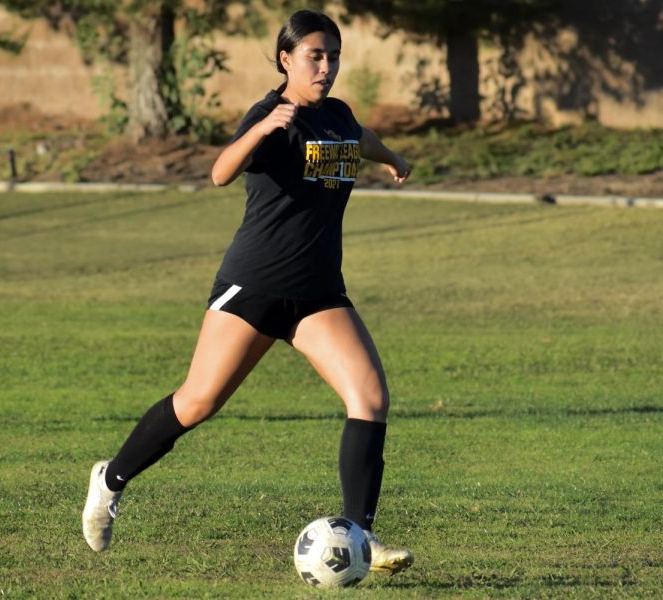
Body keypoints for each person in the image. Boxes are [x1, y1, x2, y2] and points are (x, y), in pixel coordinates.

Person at [82, 9, 414, 575]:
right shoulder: (271, 115)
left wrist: (392, 159)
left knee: (370, 399)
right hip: (254, 285)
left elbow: (356, 139)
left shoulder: (337, 115)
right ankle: (109, 479)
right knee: (198, 402)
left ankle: (359, 535)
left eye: (333, 55)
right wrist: (259, 130)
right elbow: (219, 172)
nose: (326, 66)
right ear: (286, 58)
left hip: (317, 292)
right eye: (315, 55)